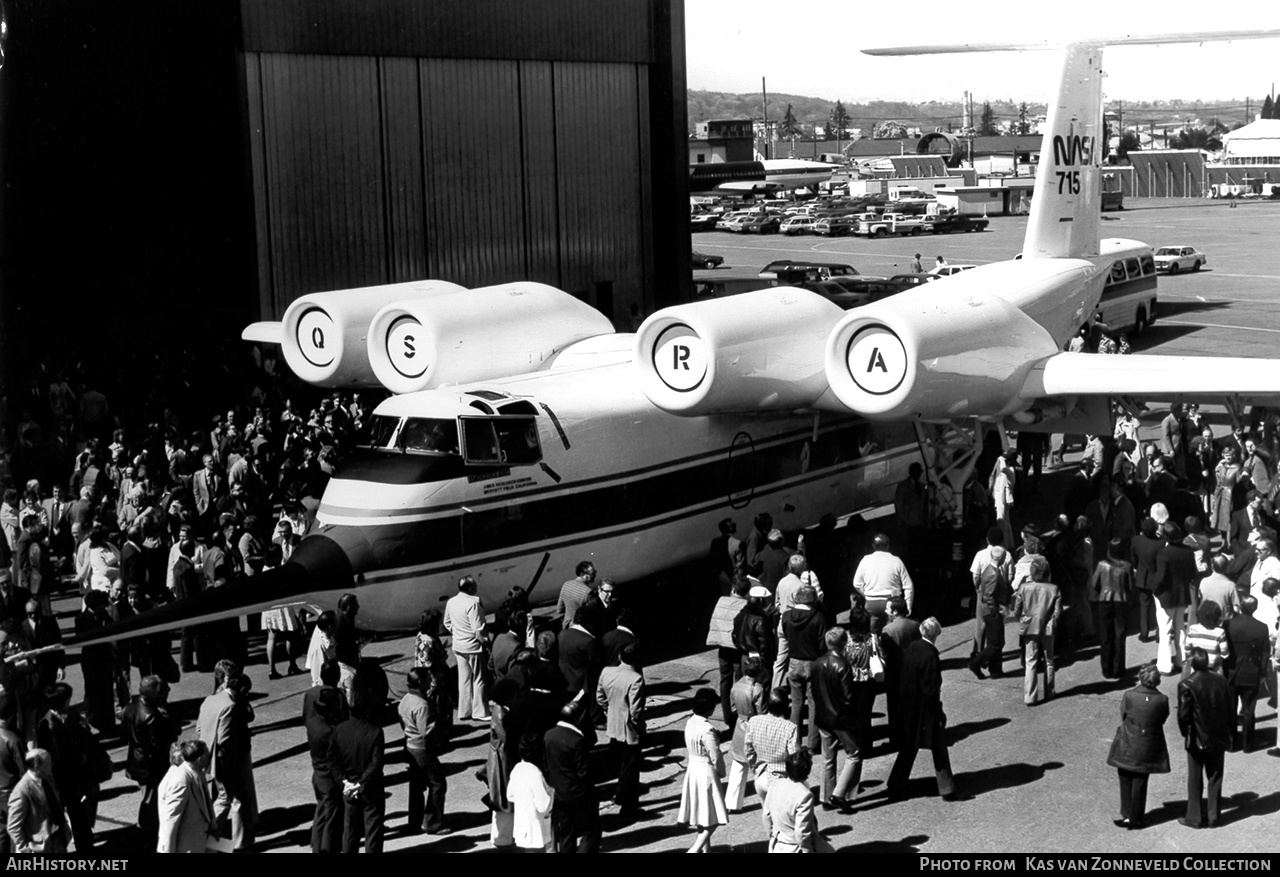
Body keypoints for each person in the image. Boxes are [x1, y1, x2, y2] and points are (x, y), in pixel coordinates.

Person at [887, 618, 957, 801]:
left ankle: (895, 784)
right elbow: (931, 690)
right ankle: (947, 787)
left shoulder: (911, 648)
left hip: (908, 708)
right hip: (925, 712)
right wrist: (939, 711)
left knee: (908, 748)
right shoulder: (931, 654)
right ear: (935, 635)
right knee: (939, 747)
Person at [329, 660, 389, 853]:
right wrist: (361, 784)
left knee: (350, 830)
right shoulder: (375, 732)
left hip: (348, 788)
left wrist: (345, 782)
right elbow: (376, 763)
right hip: (370, 789)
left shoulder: (340, 731)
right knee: (373, 829)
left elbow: (333, 761)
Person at [197, 660, 257, 851]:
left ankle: (226, 842)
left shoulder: (210, 699)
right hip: (226, 761)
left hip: (210, 759)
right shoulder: (231, 706)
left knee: (229, 798)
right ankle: (219, 841)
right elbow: (225, 740)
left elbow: (199, 728)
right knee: (229, 801)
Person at [35, 682, 99, 853]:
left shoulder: (61, 718)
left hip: (66, 776)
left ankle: (84, 843)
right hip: (62, 778)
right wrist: (80, 758)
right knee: (74, 814)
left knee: (78, 813)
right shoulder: (49, 725)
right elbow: (59, 756)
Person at [1105, 664, 1170, 831]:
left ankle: (1127, 814)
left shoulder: (1129, 696)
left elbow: (1123, 714)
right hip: (1149, 743)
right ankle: (1137, 817)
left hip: (1128, 741)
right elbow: (1162, 719)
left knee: (1125, 775)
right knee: (1141, 780)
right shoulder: (1162, 700)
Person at [1177, 647, 1232, 829]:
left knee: (1195, 778)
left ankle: (1194, 817)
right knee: (1215, 776)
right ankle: (1214, 815)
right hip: (1218, 736)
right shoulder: (1221, 681)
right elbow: (1229, 709)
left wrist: (1186, 733)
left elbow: (1184, 716)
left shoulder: (1186, 684)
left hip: (1197, 738)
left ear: (1192, 663)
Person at [121, 676, 179, 848]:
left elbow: (123, 734)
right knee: (150, 799)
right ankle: (146, 833)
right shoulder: (152, 715)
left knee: (147, 795)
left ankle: (147, 830)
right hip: (151, 764)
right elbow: (157, 744)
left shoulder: (129, 708)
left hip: (136, 759)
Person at [543, 698, 600, 853]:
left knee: (566, 833)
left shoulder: (549, 735)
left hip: (558, 793)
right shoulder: (577, 740)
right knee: (591, 831)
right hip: (577, 794)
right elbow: (584, 772)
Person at [676, 688, 728, 854]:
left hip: (693, 769)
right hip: (706, 772)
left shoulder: (690, 722)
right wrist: (721, 772)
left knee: (702, 815)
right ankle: (695, 849)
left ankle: (707, 851)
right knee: (716, 818)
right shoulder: (708, 729)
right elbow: (716, 755)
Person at [596, 643, 645, 820]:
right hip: (629, 730)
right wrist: (638, 725)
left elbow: (600, 697)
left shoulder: (607, 672)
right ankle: (627, 804)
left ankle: (621, 796)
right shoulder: (635, 679)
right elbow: (635, 710)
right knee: (631, 768)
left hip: (613, 724)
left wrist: (609, 711)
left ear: (619, 656)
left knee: (620, 763)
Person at [398, 667, 448, 838]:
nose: (430, 682)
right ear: (420, 682)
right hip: (422, 749)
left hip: (410, 745)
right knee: (438, 784)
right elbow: (427, 731)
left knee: (416, 786)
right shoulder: (421, 705)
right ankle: (432, 822)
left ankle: (414, 821)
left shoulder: (406, 699)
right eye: (427, 679)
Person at [305, 672, 348, 853]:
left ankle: (316, 844)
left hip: (318, 773)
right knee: (331, 817)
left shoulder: (313, 725)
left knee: (321, 812)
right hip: (330, 777)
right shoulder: (333, 732)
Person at [1011, 557, 1061, 705]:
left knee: (1030, 661)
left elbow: (1017, 610)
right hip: (1048, 627)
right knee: (1049, 660)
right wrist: (1053, 623)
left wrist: (1023, 619)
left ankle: (1030, 696)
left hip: (1030, 626)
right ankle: (1049, 692)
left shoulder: (1024, 587)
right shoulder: (1054, 589)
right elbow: (1057, 613)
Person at [1224, 596, 1271, 752]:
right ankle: (1248, 744)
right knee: (1249, 709)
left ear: (1241, 607)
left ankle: (1230, 743)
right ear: (1255, 609)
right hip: (1252, 673)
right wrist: (1263, 672)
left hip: (1231, 671)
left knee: (1230, 708)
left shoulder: (1228, 624)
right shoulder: (1262, 628)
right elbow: (1265, 653)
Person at [782, 585, 826, 751]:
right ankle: (813, 745)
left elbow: (786, 636)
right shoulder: (818, 617)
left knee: (796, 704)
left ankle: (795, 743)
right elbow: (822, 644)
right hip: (812, 663)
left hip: (794, 662)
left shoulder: (786, 616)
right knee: (814, 704)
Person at [764, 749, 833, 853]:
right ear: (807, 771)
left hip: (777, 844)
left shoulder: (775, 785)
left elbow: (766, 816)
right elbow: (802, 832)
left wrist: (772, 837)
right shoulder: (804, 795)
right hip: (794, 847)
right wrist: (807, 850)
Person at [743, 687, 799, 817]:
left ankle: (772, 837)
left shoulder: (754, 721)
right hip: (780, 779)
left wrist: (754, 769)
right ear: (786, 707)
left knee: (768, 816)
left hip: (760, 777)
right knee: (783, 821)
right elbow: (794, 757)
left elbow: (748, 751)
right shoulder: (790, 728)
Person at [156, 741, 216, 854]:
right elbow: (170, 819)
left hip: (203, 840)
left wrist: (213, 826)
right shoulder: (181, 780)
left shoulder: (198, 772)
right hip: (189, 846)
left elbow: (205, 803)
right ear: (200, 759)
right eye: (208, 754)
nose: (211, 757)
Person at [444, 575, 489, 723]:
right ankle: (479, 711)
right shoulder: (473, 604)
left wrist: (458, 632)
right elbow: (478, 630)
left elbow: (447, 622)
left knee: (463, 679)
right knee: (478, 679)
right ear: (469, 588)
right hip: (473, 647)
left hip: (458, 645)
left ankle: (464, 711)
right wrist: (486, 642)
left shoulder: (451, 602)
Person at [1154, 521, 1196, 675]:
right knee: (1180, 628)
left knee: (1165, 630)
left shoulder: (1164, 553)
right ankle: (1182, 660)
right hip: (1182, 593)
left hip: (1166, 595)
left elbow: (1160, 577)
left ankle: (1164, 665)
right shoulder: (1188, 551)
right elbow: (1192, 573)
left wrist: (1155, 589)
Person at [7, 748, 69, 854]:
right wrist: (27, 850)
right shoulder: (22, 791)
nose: (52, 765)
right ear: (37, 767)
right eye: (48, 764)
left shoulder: (47, 778)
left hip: (58, 839)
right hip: (41, 847)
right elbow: (13, 827)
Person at [706, 575, 748, 729]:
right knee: (739, 680)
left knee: (725, 681)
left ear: (733, 589)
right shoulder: (746, 605)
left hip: (723, 648)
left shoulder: (721, 601)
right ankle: (738, 712)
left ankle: (727, 716)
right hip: (738, 649)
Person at [724, 655, 765, 813]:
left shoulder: (736, 685)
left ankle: (731, 803)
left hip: (739, 726)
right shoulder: (757, 688)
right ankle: (767, 800)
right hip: (753, 727)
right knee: (759, 767)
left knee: (738, 766)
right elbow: (762, 712)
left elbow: (733, 707)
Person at [485, 678, 522, 849]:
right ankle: (503, 838)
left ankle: (502, 837)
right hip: (502, 760)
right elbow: (507, 739)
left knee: (502, 799)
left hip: (501, 758)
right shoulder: (501, 714)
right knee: (504, 799)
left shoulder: (500, 710)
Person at [852, 534, 914, 634]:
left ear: (873, 545)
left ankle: (875, 647)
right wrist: (908, 604)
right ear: (888, 545)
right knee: (891, 633)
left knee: (873, 633)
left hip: (872, 603)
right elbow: (908, 586)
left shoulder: (865, 560)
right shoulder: (896, 561)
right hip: (892, 602)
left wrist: (867, 594)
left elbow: (856, 583)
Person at [1090, 539, 1133, 680]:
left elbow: (1094, 583)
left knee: (1106, 635)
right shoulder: (1127, 566)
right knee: (1119, 635)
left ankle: (1106, 669)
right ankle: (1118, 669)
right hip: (1121, 600)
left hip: (1104, 600)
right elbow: (1131, 586)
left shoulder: (1101, 565)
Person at [880, 597, 920, 747]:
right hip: (912, 671)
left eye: (887, 608)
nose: (885, 611)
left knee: (894, 707)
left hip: (895, 673)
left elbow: (885, 653)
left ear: (895, 612)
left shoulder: (888, 630)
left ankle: (896, 739)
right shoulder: (915, 625)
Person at [507, 733, 555, 853]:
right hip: (536, 826)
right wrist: (551, 792)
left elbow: (510, 795)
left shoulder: (517, 769)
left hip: (522, 823)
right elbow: (543, 806)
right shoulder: (536, 774)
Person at [969, 543, 1010, 679]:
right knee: (996, 643)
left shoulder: (989, 569)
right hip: (992, 612)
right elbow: (989, 597)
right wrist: (996, 611)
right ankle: (976, 663)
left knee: (995, 641)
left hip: (990, 610)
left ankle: (995, 670)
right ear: (1001, 558)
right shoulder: (994, 574)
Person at [1181, 601, 1228, 675]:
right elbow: (1224, 655)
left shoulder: (1192, 628)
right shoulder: (1220, 632)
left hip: (1195, 668)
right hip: (1213, 669)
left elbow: (1187, 650)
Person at [557, 561, 597, 630]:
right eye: (592, 574)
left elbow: (559, 609)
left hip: (567, 627)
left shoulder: (566, 584)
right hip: (582, 627)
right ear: (583, 575)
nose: (594, 576)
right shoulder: (587, 592)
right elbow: (592, 614)